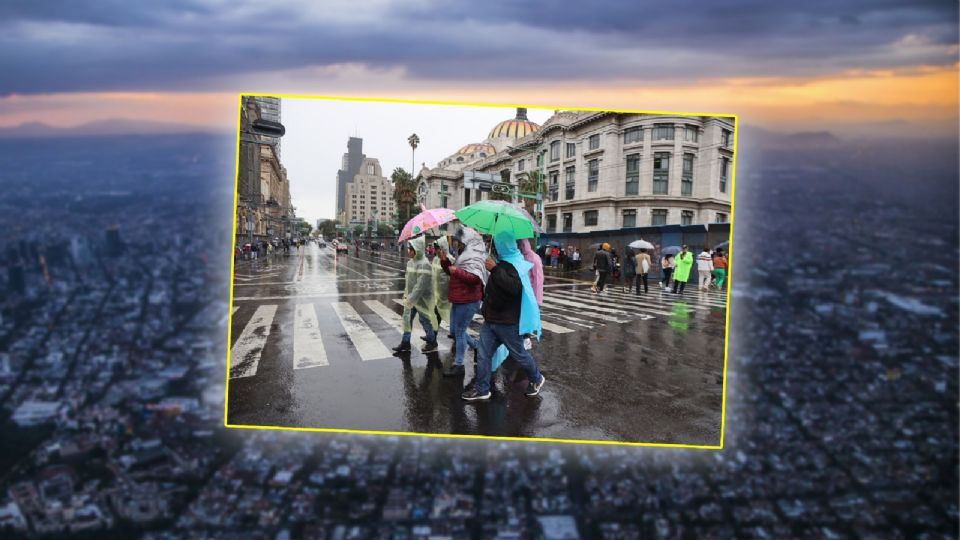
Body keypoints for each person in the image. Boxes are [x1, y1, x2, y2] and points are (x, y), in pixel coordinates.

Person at [462, 230, 545, 401]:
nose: (494, 248)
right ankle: (482, 388)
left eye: (497, 244)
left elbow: (513, 288)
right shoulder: (500, 262)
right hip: (491, 319)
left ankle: (537, 378)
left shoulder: (517, 264)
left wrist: (495, 269)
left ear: (503, 245)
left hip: (508, 322)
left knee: (520, 355)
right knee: (483, 354)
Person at [440, 228, 485, 377]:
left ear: (464, 242)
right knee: (454, 331)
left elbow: (475, 278)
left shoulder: (474, 256)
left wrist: (456, 271)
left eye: (457, 241)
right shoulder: (463, 255)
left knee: (459, 332)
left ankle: (459, 365)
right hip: (458, 298)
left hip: (468, 300)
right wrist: (445, 261)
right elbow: (454, 273)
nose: (454, 244)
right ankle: (477, 346)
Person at [392, 235, 439, 354]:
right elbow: (409, 281)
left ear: (417, 250)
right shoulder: (410, 263)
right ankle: (405, 343)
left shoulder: (425, 264)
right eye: (409, 249)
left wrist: (411, 299)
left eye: (411, 249)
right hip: (411, 298)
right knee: (407, 319)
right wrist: (405, 294)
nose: (409, 252)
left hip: (421, 299)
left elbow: (421, 286)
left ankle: (432, 341)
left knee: (424, 321)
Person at [431, 237, 454, 331]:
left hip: (447, 295)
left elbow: (453, 276)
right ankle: (432, 338)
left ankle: (456, 337)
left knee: (451, 317)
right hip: (437, 294)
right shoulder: (435, 259)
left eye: (437, 248)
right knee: (436, 315)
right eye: (435, 248)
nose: (436, 251)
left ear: (443, 248)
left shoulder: (451, 259)